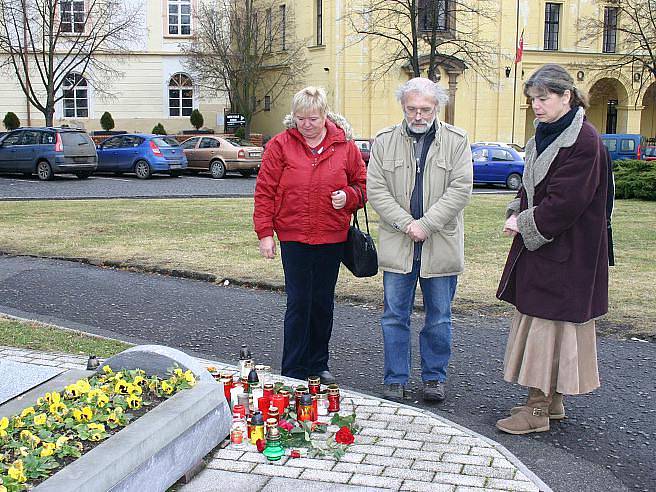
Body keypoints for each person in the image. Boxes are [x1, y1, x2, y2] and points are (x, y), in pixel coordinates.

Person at [495, 64, 609, 435]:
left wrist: (525, 223)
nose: (536, 106)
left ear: (567, 97)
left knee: (546, 326)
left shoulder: (583, 141)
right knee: (550, 323)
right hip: (549, 251)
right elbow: (531, 188)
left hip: (569, 254)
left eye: (543, 99)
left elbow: (564, 203)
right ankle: (552, 401)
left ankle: (537, 410)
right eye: (532, 99)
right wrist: (517, 209)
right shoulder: (547, 135)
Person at [367, 77, 473, 402]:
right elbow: (376, 190)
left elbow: (460, 189)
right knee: (394, 316)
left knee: (439, 317)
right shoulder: (384, 141)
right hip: (399, 247)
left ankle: (434, 379)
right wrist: (405, 224)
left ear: (436, 108)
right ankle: (395, 378)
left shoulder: (457, 140)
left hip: (440, 246)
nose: (418, 115)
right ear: (403, 106)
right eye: (412, 108)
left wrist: (426, 225)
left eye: (425, 109)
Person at [253, 86, 366, 385]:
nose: (306, 124)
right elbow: (265, 191)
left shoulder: (345, 146)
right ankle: (292, 370)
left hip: (331, 237)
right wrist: (265, 233)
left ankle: (318, 364)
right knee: (299, 302)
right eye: (300, 118)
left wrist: (350, 196)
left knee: (322, 303)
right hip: (294, 238)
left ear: (325, 116)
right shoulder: (280, 146)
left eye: (313, 119)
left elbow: (363, 185)